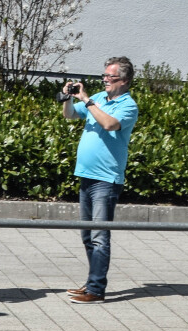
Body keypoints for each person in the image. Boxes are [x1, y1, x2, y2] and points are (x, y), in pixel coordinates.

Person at [61, 56, 139, 305]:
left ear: (124, 81)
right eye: (104, 75)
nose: (105, 80)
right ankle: (92, 281)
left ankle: (96, 290)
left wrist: (87, 99)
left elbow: (109, 124)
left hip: (107, 179)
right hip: (86, 174)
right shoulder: (99, 98)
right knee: (87, 235)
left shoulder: (128, 106)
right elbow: (71, 115)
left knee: (99, 236)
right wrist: (68, 98)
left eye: (110, 77)